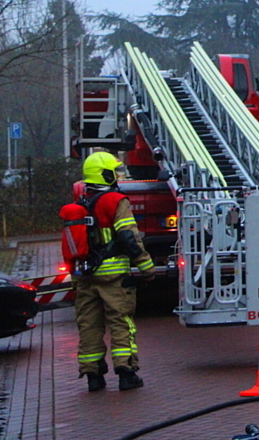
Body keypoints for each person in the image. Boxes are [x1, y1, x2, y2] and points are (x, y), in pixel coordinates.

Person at [73, 151, 155, 392]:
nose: (118, 175)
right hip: (114, 276)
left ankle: (93, 377)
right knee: (121, 322)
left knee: (89, 326)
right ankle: (126, 373)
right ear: (105, 174)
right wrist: (146, 266)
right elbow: (128, 236)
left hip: (85, 277)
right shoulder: (116, 201)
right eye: (115, 171)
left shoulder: (78, 205)